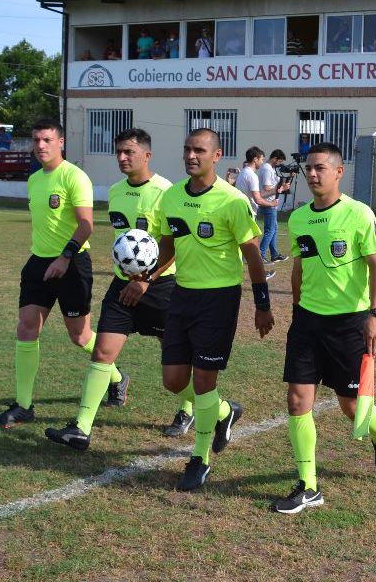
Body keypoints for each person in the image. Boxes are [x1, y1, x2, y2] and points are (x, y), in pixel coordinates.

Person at [44, 128, 191, 448]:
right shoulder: (115, 191)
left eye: (130, 152)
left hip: (160, 286)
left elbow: (176, 245)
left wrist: (146, 281)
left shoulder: (167, 192)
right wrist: (131, 278)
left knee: (174, 360)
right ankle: (81, 428)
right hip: (122, 285)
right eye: (119, 152)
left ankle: (197, 408)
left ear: (147, 156)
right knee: (102, 353)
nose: (122, 158)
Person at [275, 142, 376, 514]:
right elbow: (298, 267)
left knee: (350, 404)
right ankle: (308, 486)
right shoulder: (297, 217)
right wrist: (296, 311)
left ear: (338, 172)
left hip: (350, 323)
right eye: (309, 168)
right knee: (298, 400)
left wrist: (375, 315)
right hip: (308, 322)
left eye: (320, 168)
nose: (312, 174)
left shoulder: (359, 214)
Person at [155, 128, 274, 490]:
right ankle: (224, 412)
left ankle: (199, 458)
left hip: (219, 299)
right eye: (188, 149)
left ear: (217, 155)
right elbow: (168, 244)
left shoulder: (232, 201)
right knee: (174, 380)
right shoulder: (172, 196)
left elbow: (253, 255)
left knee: (205, 381)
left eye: (200, 150)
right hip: (182, 295)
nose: (192, 156)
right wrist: (146, 277)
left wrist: (262, 305)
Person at [0, 120, 105, 429]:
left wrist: (65, 257)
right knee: (27, 328)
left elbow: (86, 224)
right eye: (36, 140)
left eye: (47, 140)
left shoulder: (75, 177)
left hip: (73, 262)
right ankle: (24, 405)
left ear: (61, 142)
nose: (41, 145)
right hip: (39, 263)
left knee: (80, 337)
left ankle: (115, 376)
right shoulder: (35, 179)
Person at [235, 146, 278, 280]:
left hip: (241, 212)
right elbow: (258, 199)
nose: (263, 162)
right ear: (255, 159)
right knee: (253, 247)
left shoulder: (243, 173)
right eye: (261, 159)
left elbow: (257, 195)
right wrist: (272, 203)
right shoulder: (251, 175)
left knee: (243, 248)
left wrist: (276, 190)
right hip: (248, 214)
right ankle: (261, 274)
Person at [258, 149, 289, 264]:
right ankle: (260, 254)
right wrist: (280, 189)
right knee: (270, 230)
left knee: (273, 229)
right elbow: (266, 188)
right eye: (280, 161)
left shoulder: (270, 169)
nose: (280, 164)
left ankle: (274, 255)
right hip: (268, 203)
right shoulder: (266, 168)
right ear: (275, 158)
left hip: (271, 203)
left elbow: (274, 185)